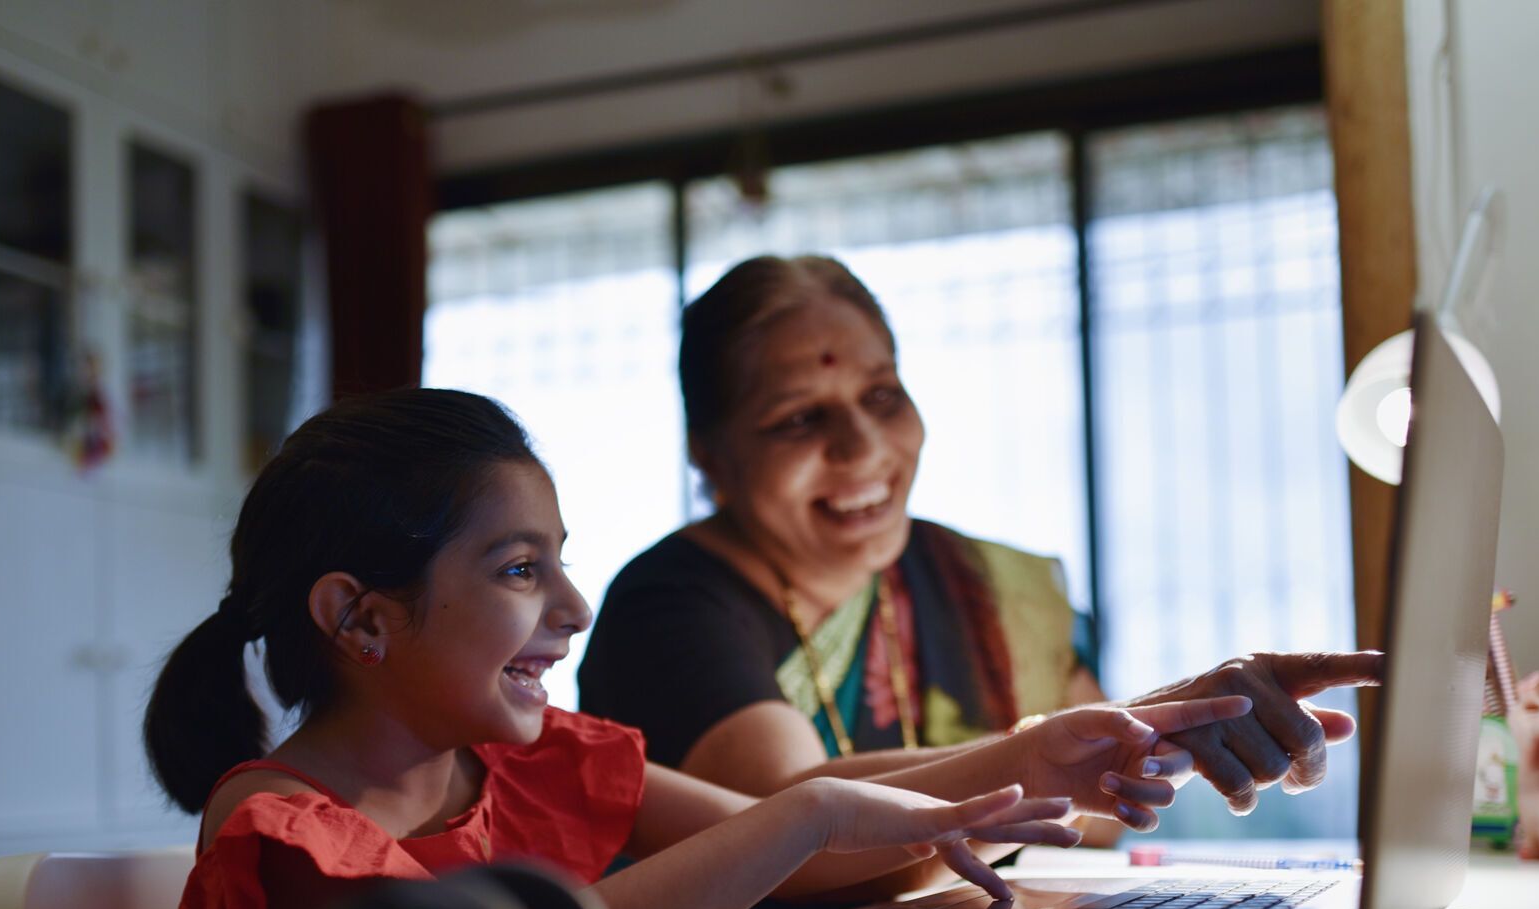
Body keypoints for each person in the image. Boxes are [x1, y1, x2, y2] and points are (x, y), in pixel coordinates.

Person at [143, 390, 1246, 909]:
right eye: (520, 568)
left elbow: (810, 858)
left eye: (560, 563)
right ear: (359, 619)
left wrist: (1031, 757)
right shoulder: (277, 835)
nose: (573, 610)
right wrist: (807, 814)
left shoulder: (523, 766)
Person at [579, 255, 1378, 824]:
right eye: (798, 419)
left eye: (882, 394)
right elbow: (792, 818)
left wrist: (1169, 733)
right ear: (710, 456)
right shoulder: (670, 604)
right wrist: (1115, 730)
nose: (863, 449)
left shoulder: (972, 577)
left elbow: (1096, 819)